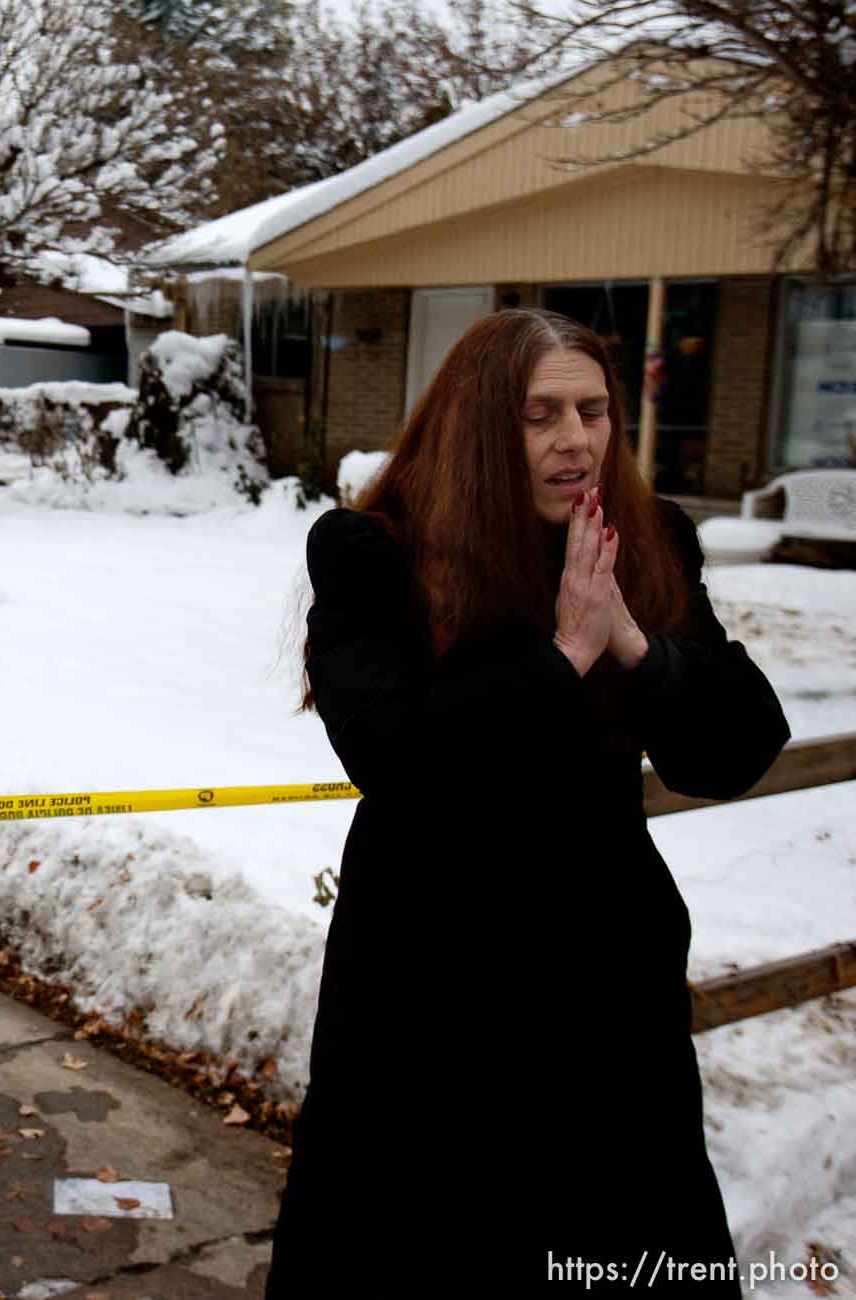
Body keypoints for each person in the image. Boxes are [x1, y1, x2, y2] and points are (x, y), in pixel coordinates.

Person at [268, 308, 789, 1296]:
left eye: (593, 411)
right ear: (477, 426)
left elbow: (737, 745)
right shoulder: (373, 552)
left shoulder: (645, 540)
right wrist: (561, 659)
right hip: (431, 987)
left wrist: (635, 642)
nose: (575, 438)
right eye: (539, 413)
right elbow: (396, 753)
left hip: (603, 988)